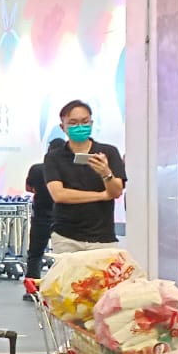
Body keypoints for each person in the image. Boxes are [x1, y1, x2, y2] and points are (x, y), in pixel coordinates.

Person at [43, 100, 127, 253]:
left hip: (103, 237)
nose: (80, 127)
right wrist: (102, 195)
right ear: (63, 127)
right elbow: (59, 195)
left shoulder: (108, 152)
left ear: (91, 123)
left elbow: (116, 192)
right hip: (66, 237)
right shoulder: (54, 157)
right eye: (73, 123)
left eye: (85, 122)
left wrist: (106, 173)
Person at [23, 148, 60, 293]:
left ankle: (32, 289)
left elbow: (28, 188)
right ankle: (60, 288)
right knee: (64, 255)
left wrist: (39, 191)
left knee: (35, 254)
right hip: (60, 217)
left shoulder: (36, 169)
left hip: (40, 216)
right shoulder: (62, 171)